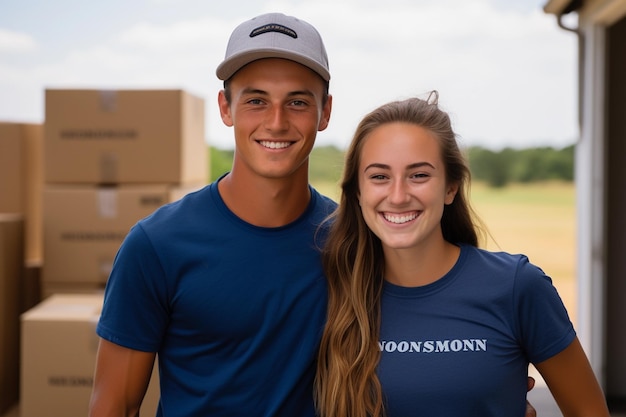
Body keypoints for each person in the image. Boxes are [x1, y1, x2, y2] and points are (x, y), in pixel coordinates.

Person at [88, 12, 538, 417]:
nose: (277, 122)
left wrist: (490, 388)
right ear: (226, 108)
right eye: (256, 100)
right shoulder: (156, 245)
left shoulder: (356, 239)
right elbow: (115, 406)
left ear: (325, 112)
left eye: (299, 102)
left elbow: (431, 328)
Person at [315, 93, 610, 417]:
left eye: (419, 175)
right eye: (380, 176)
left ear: (451, 187)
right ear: (358, 190)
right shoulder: (330, 289)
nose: (398, 196)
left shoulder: (516, 287)